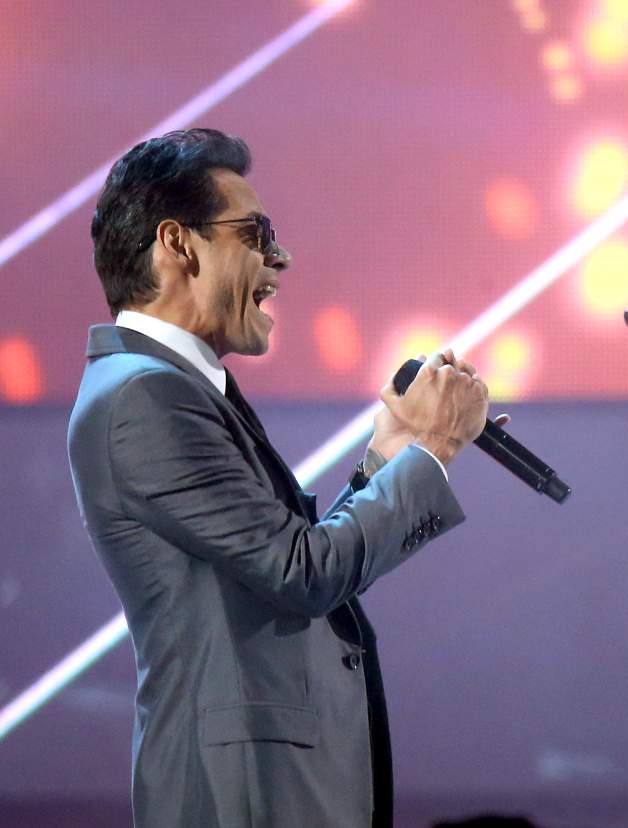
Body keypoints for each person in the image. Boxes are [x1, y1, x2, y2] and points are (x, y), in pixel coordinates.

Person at [68, 128, 491, 827]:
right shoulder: (143, 397)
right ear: (178, 244)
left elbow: (284, 560)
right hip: (243, 795)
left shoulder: (179, 386)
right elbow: (304, 572)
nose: (280, 257)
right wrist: (436, 445)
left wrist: (386, 461)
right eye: (254, 232)